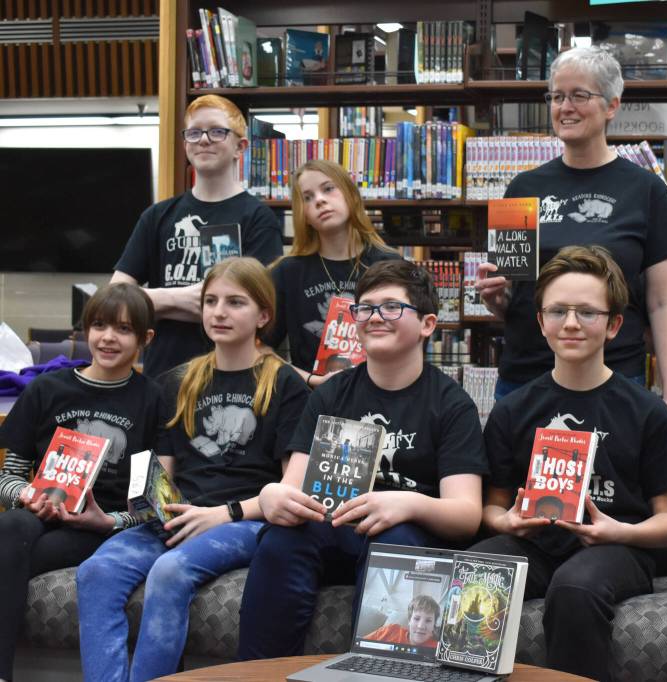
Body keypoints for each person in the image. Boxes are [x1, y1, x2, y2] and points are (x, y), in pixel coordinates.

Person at [236, 260, 489, 660]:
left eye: (391, 307)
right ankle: (260, 671)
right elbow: (294, 486)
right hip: (331, 525)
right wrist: (272, 497)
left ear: (427, 324)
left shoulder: (451, 404)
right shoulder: (330, 395)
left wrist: (405, 504)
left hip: (406, 535)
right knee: (280, 540)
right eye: (365, 308)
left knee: (394, 542)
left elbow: (466, 514)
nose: (374, 317)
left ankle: (377, 671)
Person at [75, 258, 308, 682]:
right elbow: (159, 476)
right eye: (211, 301)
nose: (219, 312)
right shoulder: (178, 380)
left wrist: (220, 514)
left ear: (264, 316)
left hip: (245, 520)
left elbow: (289, 491)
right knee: (97, 570)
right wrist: (129, 515)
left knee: (170, 570)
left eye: (235, 302)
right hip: (182, 514)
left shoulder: (285, 383)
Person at [470, 245, 667, 681]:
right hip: (534, 542)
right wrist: (507, 522)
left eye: (587, 313)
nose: (571, 323)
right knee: (478, 567)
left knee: (574, 587)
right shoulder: (513, 410)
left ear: (613, 325)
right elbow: (490, 508)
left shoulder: (646, 411)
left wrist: (620, 531)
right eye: (558, 312)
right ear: (540, 322)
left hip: (616, 547)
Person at [474, 46, 667, 433]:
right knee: (517, 490)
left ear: (612, 106)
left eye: (579, 95)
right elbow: (515, 294)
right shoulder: (523, 187)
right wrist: (497, 299)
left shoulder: (645, 190)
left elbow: (664, 302)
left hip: (613, 376)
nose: (566, 107)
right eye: (557, 96)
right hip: (526, 374)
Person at [0, 283, 163, 682]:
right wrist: (26, 494)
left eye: (124, 330)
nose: (108, 338)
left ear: (146, 339)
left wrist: (107, 522)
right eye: (99, 325)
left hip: (100, 526)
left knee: (16, 548)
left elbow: (153, 503)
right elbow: (8, 475)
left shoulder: (153, 399)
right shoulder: (46, 389)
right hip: (39, 512)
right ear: (84, 330)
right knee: (12, 524)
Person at [112, 94, 284, 379]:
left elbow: (260, 312)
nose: (204, 139)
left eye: (217, 131)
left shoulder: (258, 220)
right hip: (163, 377)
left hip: (231, 378)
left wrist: (154, 304)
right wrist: (178, 298)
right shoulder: (157, 217)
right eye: (194, 132)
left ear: (240, 146)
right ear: (185, 145)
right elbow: (114, 299)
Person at [266, 159, 401, 385]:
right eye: (307, 198)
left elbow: (407, 341)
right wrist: (308, 380)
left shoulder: (388, 263)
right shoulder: (287, 272)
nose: (320, 200)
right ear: (303, 215)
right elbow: (257, 347)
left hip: (379, 396)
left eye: (328, 189)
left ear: (351, 194)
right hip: (310, 401)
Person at [363, 595, 441, 648]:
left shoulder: (438, 649)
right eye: (417, 619)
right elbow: (360, 646)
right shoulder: (390, 630)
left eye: (428, 620)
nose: (421, 626)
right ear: (409, 621)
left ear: (433, 625)